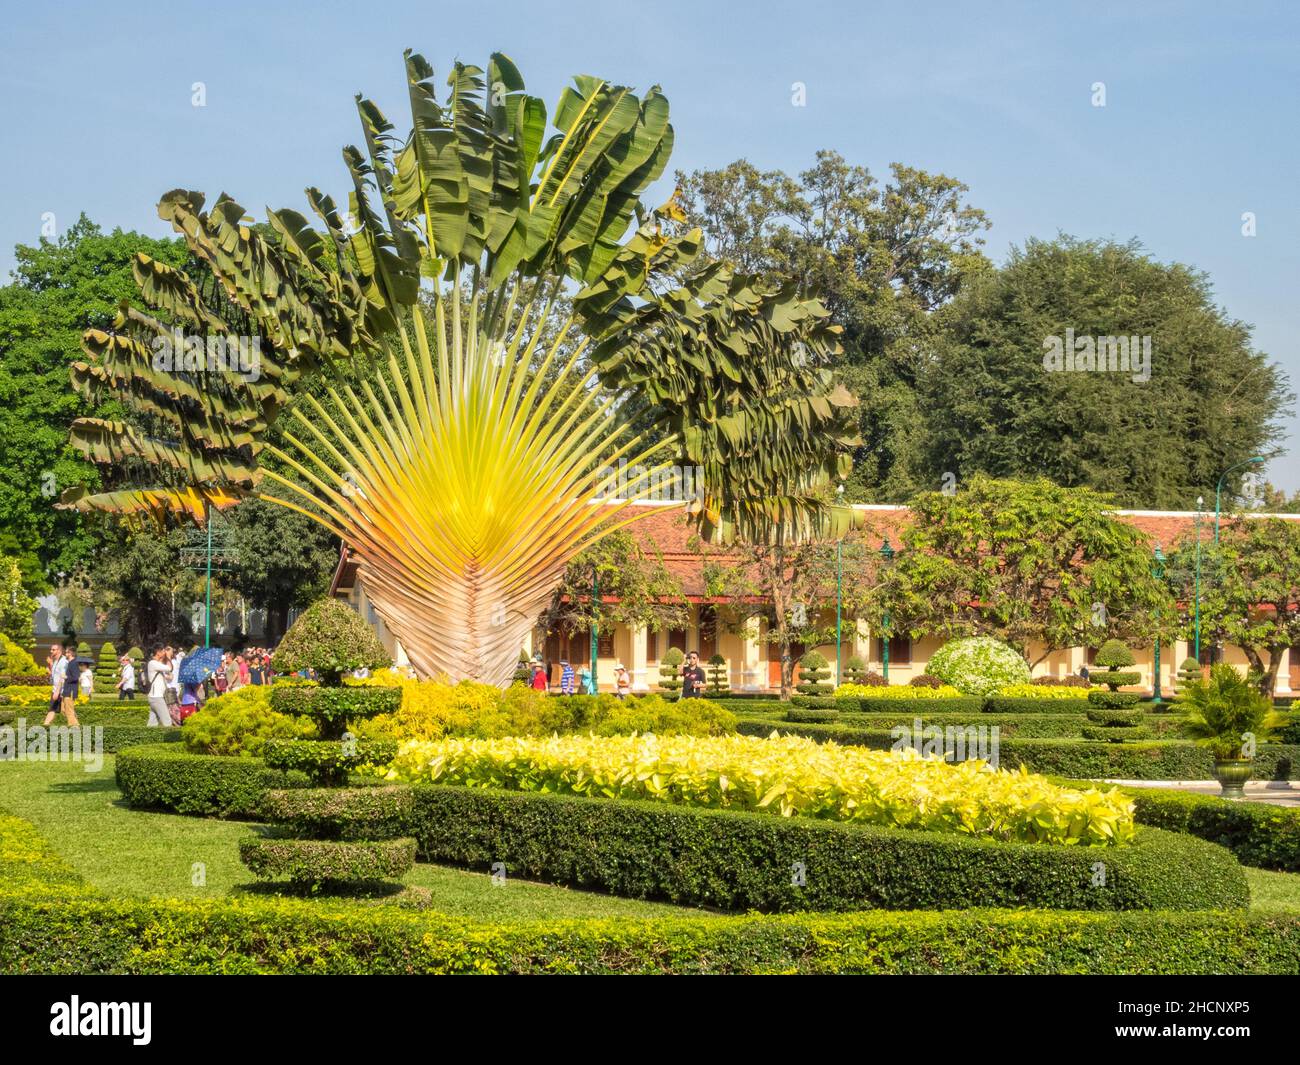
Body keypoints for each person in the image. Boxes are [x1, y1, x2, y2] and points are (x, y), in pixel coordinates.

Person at [146, 648, 173, 728]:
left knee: (152, 723)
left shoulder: (156, 664)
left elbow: (169, 676)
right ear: (158, 652)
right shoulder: (152, 663)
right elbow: (169, 668)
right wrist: (168, 657)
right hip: (157, 697)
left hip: (155, 697)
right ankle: (170, 739)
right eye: (163, 651)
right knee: (167, 721)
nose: (165, 652)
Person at [45, 643, 64, 722]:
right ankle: (45, 726)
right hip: (55, 690)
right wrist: (50, 669)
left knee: (66, 712)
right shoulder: (55, 661)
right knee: (52, 709)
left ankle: (77, 728)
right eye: (51, 649)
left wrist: (57, 691)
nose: (51, 651)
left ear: (59, 651)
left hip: (63, 691)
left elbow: (63, 677)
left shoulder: (63, 661)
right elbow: (55, 675)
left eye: (53, 650)